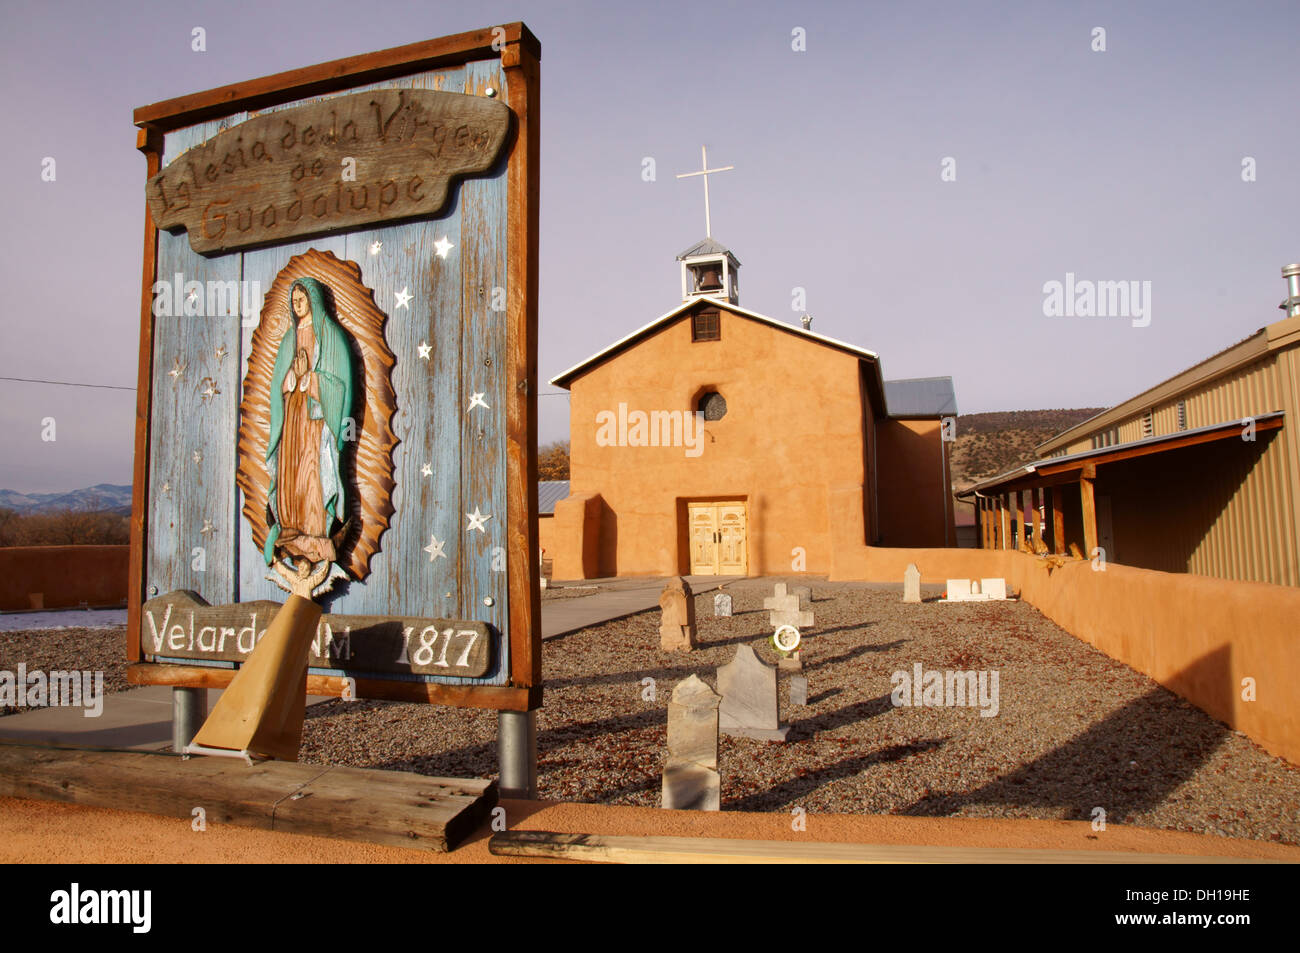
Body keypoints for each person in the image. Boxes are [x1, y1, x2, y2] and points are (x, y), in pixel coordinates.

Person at [263, 277, 353, 567]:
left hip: (316, 421)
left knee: (313, 471)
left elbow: (340, 386)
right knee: (291, 471)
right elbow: (278, 384)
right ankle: (290, 527)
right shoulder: (289, 340)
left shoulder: (330, 336)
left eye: (302, 299)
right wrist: (294, 377)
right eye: (294, 301)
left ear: (313, 300)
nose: (297, 305)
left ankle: (316, 532)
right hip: (292, 419)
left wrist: (310, 379)